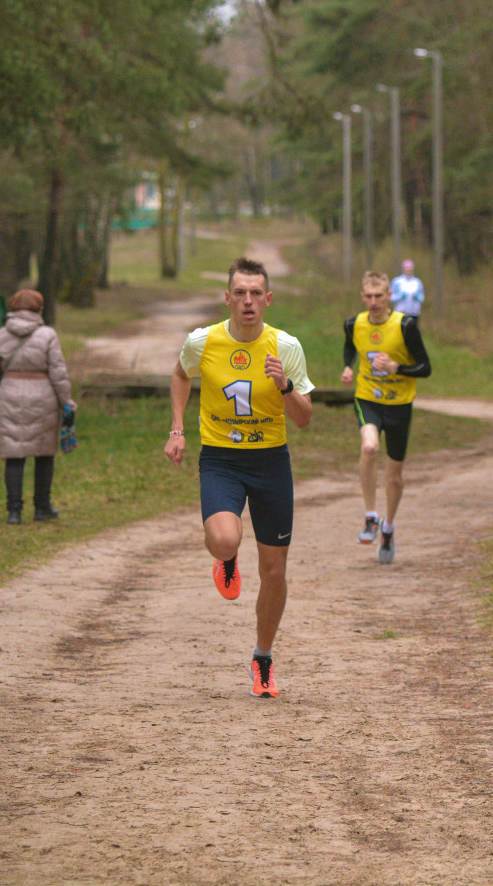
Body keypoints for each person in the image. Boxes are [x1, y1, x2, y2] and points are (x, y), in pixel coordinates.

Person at [164, 257, 313, 699]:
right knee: (227, 539)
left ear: (268, 299)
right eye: (240, 293)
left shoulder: (285, 346)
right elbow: (179, 375)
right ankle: (225, 557)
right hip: (221, 459)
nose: (248, 301)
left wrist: (285, 386)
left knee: (274, 570)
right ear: (227, 298)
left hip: (271, 462)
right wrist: (177, 428)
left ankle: (262, 659)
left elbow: (304, 419)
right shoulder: (202, 341)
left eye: (256, 294)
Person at [340, 270, 432, 563]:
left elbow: (425, 367)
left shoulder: (405, 325)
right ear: (362, 296)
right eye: (368, 296)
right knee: (369, 447)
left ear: (389, 296)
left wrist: (397, 367)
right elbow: (349, 346)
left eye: (379, 296)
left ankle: (388, 527)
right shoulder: (354, 323)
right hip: (368, 398)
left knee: (394, 477)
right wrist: (348, 366)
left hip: (400, 404)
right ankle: (370, 517)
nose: (373, 301)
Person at [0, 289, 77, 524]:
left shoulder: (0, 335)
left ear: (12, 309)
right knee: (44, 454)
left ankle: (14, 512)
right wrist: (67, 403)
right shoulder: (48, 335)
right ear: (39, 309)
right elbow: (58, 374)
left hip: (9, 397)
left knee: (14, 456)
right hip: (42, 399)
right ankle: (42, 507)